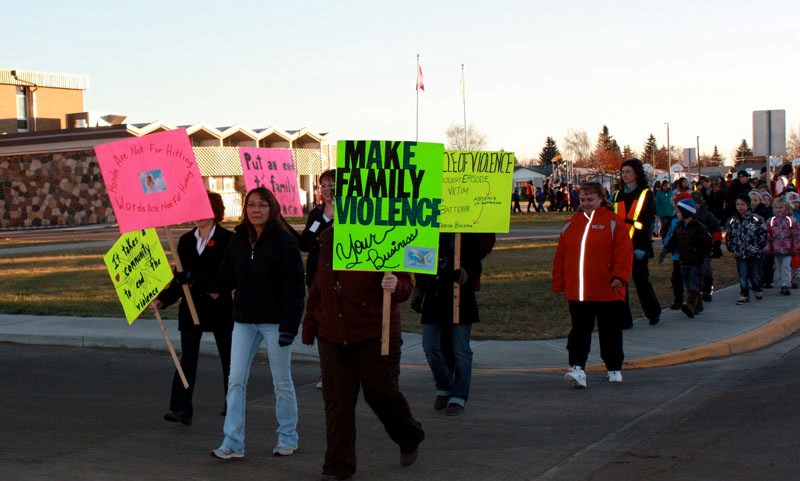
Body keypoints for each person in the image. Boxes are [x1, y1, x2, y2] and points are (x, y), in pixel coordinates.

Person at [188, 187, 305, 460]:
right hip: (243, 321)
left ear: (271, 208)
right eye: (251, 205)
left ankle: (288, 437)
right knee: (236, 381)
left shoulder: (284, 241)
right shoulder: (238, 240)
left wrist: (290, 326)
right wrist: (193, 278)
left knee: (282, 382)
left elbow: (295, 287)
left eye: (262, 205)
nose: (256, 210)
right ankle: (232, 442)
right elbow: (224, 278)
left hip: (276, 323)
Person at [302, 227, 425, 481]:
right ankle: (338, 466)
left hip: (374, 333)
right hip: (333, 334)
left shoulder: (384, 233)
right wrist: (311, 324)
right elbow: (319, 285)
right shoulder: (327, 240)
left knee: (381, 395)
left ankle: (408, 435)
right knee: (337, 403)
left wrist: (397, 285)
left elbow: (405, 283)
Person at [151, 191, 233, 426]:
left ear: (215, 211)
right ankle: (181, 408)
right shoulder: (186, 241)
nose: (196, 214)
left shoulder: (229, 239)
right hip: (191, 308)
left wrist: (217, 286)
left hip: (220, 308)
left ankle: (233, 404)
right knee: (187, 358)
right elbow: (180, 279)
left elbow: (229, 275)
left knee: (229, 359)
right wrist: (163, 300)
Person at [553, 181, 632, 388]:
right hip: (579, 291)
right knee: (579, 331)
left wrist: (619, 277)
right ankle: (577, 368)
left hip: (608, 290)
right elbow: (561, 256)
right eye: (583, 200)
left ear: (601, 199)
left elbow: (624, 255)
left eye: (591, 200)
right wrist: (558, 281)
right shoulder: (571, 224)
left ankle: (614, 367)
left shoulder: (614, 223)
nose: (586, 204)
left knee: (610, 331)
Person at [411, 232, 482, 416]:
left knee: (461, 351)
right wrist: (418, 290)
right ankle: (444, 387)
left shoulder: (469, 235)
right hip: (434, 299)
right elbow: (422, 262)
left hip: (460, 300)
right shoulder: (429, 233)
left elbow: (476, 264)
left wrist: (466, 274)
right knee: (429, 346)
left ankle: (459, 396)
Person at [612, 159, 662, 327]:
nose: (625, 175)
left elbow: (646, 223)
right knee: (620, 283)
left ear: (636, 174)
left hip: (638, 245)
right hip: (619, 246)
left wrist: (641, 247)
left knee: (641, 281)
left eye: (628, 172)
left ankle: (653, 312)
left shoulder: (645, 193)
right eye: (623, 172)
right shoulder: (617, 195)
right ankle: (624, 319)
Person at [299, 169, 336, 390]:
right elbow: (305, 243)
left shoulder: (350, 211)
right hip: (316, 276)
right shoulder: (316, 214)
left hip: (341, 278)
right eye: (323, 185)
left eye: (331, 184)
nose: (327, 189)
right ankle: (327, 372)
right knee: (322, 325)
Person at [660, 198, 712, 318]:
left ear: (686, 212)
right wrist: (665, 250)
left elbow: (707, 243)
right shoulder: (679, 226)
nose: (676, 213)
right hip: (684, 260)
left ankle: (690, 305)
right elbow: (674, 241)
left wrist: (704, 256)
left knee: (694, 284)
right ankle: (698, 304)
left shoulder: (698, 228)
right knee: (688, 284)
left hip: (696, 261)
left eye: (678, 211)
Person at [725, 193, 767, 305]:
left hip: (753, 252)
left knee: (755, 275)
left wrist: (758, 246)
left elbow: (762, 233)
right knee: (743, 274)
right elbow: (729, 235)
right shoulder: (733, 221)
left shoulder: (756, 219)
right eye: (738, 204)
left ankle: (757, 288)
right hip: (740, 253)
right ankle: (744, 294)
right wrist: (731, 246)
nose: (740, 207)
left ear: (748, 205)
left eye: (742, 204)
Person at [690, 191, 723, 302]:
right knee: (694, 271)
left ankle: (707, 291)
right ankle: (697, 291)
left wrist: (717, 244)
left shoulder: (707, 215)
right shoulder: (688, 215)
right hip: (692, 248)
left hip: (705, 248)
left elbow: (715, 228)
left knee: (706, 270)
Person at [765, 196, 800, 296]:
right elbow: (767, 234)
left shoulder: (791, 220)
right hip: (776, 248)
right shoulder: (771, 221)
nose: (778, 210)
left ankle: (786, 284)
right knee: (779, 267)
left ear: (786, 208)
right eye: (776, 207)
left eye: (781, 207)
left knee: (786, 267)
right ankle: (782, 284)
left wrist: (796, 247)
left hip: (788, 248)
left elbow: (797, 234)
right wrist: (768, 246)